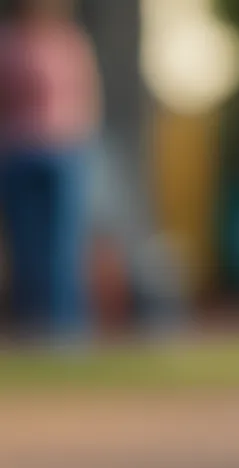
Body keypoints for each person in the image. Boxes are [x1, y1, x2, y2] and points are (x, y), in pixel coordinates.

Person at [0, 0, 101, 337]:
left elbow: (86, 96)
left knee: (63, 247)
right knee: (27, 247)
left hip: (63, 152)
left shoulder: (69, 41)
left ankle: (66, 329)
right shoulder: (9, 42)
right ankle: (31, 325)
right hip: (18, 152)